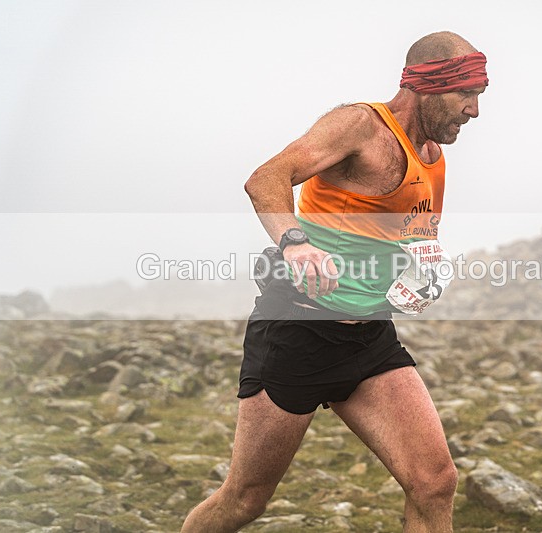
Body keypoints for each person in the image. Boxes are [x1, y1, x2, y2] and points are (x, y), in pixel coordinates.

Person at [181, 30, 487, 533]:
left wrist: (426, 270)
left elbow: (409, 235)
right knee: (244, 499)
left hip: (369, 340)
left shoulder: (432, 155)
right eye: (466, 94)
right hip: (297, 334)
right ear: (428, 86)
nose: (473, 110)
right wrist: (295, 243)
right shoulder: (360, 126)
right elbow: (266, 179)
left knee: (435, 483)